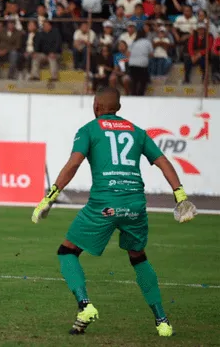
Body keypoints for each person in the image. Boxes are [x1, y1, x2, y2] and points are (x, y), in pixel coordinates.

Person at [31, 87, 197, 337]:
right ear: (118, 108)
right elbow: (163, 161)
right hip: (135, 205)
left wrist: (50, 197)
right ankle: (162, 321)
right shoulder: (137, 132)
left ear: (95, 105)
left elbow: (74, 163)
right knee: (138, 257)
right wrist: (180, 195)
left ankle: (85, 306)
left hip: (104, 205)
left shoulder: (89, 130)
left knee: (67, 251)